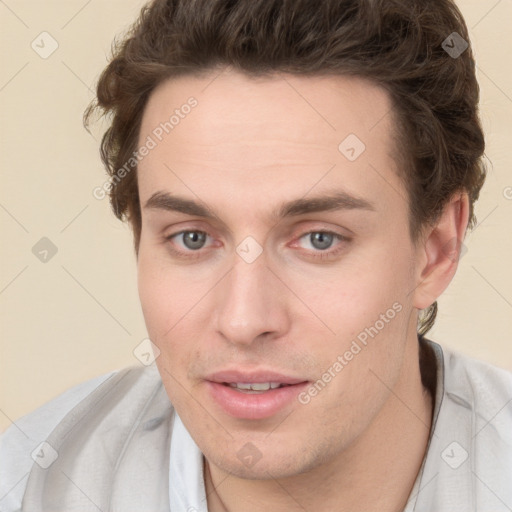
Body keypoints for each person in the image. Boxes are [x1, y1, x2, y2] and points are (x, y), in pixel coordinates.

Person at [1, 0, 511, 510]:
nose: (243, 321)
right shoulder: (29, 485)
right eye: (192, 238)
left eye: (319, 239)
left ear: (437, 249)